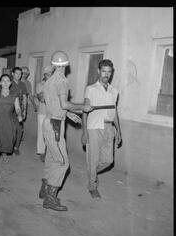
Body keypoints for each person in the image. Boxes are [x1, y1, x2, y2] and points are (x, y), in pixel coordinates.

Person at [39, 50, 93, 211]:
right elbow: (64, 104)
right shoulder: (62, 81)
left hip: (49, 121)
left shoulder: (49, 80)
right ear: (66, 65)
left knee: (51, 158)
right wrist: (84, 107)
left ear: (54, 64)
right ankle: (50, 199)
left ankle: (44, 189)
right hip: (55, 125)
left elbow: (54, 103)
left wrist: (68, 114)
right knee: (62, 162)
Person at [81, 59, 122, 199]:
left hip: (109, 128)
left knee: (108, 160)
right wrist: (84, 132)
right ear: (99, 71)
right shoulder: (90, 89)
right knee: (94, 159)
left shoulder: (114, 91)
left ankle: (92, 173)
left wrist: (119, 131)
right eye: (104, 71)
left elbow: (114, 111)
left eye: (109, 72)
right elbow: (85, 111)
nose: (106, 74)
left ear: (111, 73)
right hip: (94, 127)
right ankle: (92, 186)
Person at [35, 65, 55, 162]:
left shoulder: (56, 84)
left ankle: (49, 152)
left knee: (51, 133)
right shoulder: (40, 85)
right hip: (42, 112)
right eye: (48, 74)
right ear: (45, 74)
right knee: (41, 132)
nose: (49, 75)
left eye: (51, 73)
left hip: (54, 112)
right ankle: (42, 152)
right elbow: (41, 99)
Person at [10, 67, 27, 155]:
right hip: (9, 109)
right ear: (12, 74)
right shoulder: (8, 83)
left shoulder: (22, 84)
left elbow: (24, 97)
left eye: (20, 74)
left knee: (19, 129)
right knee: (10, 129)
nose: (18, 75)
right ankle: (8, 147)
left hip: (19, 109)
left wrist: (25, 111)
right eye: (16, 73)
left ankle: (16, 147)